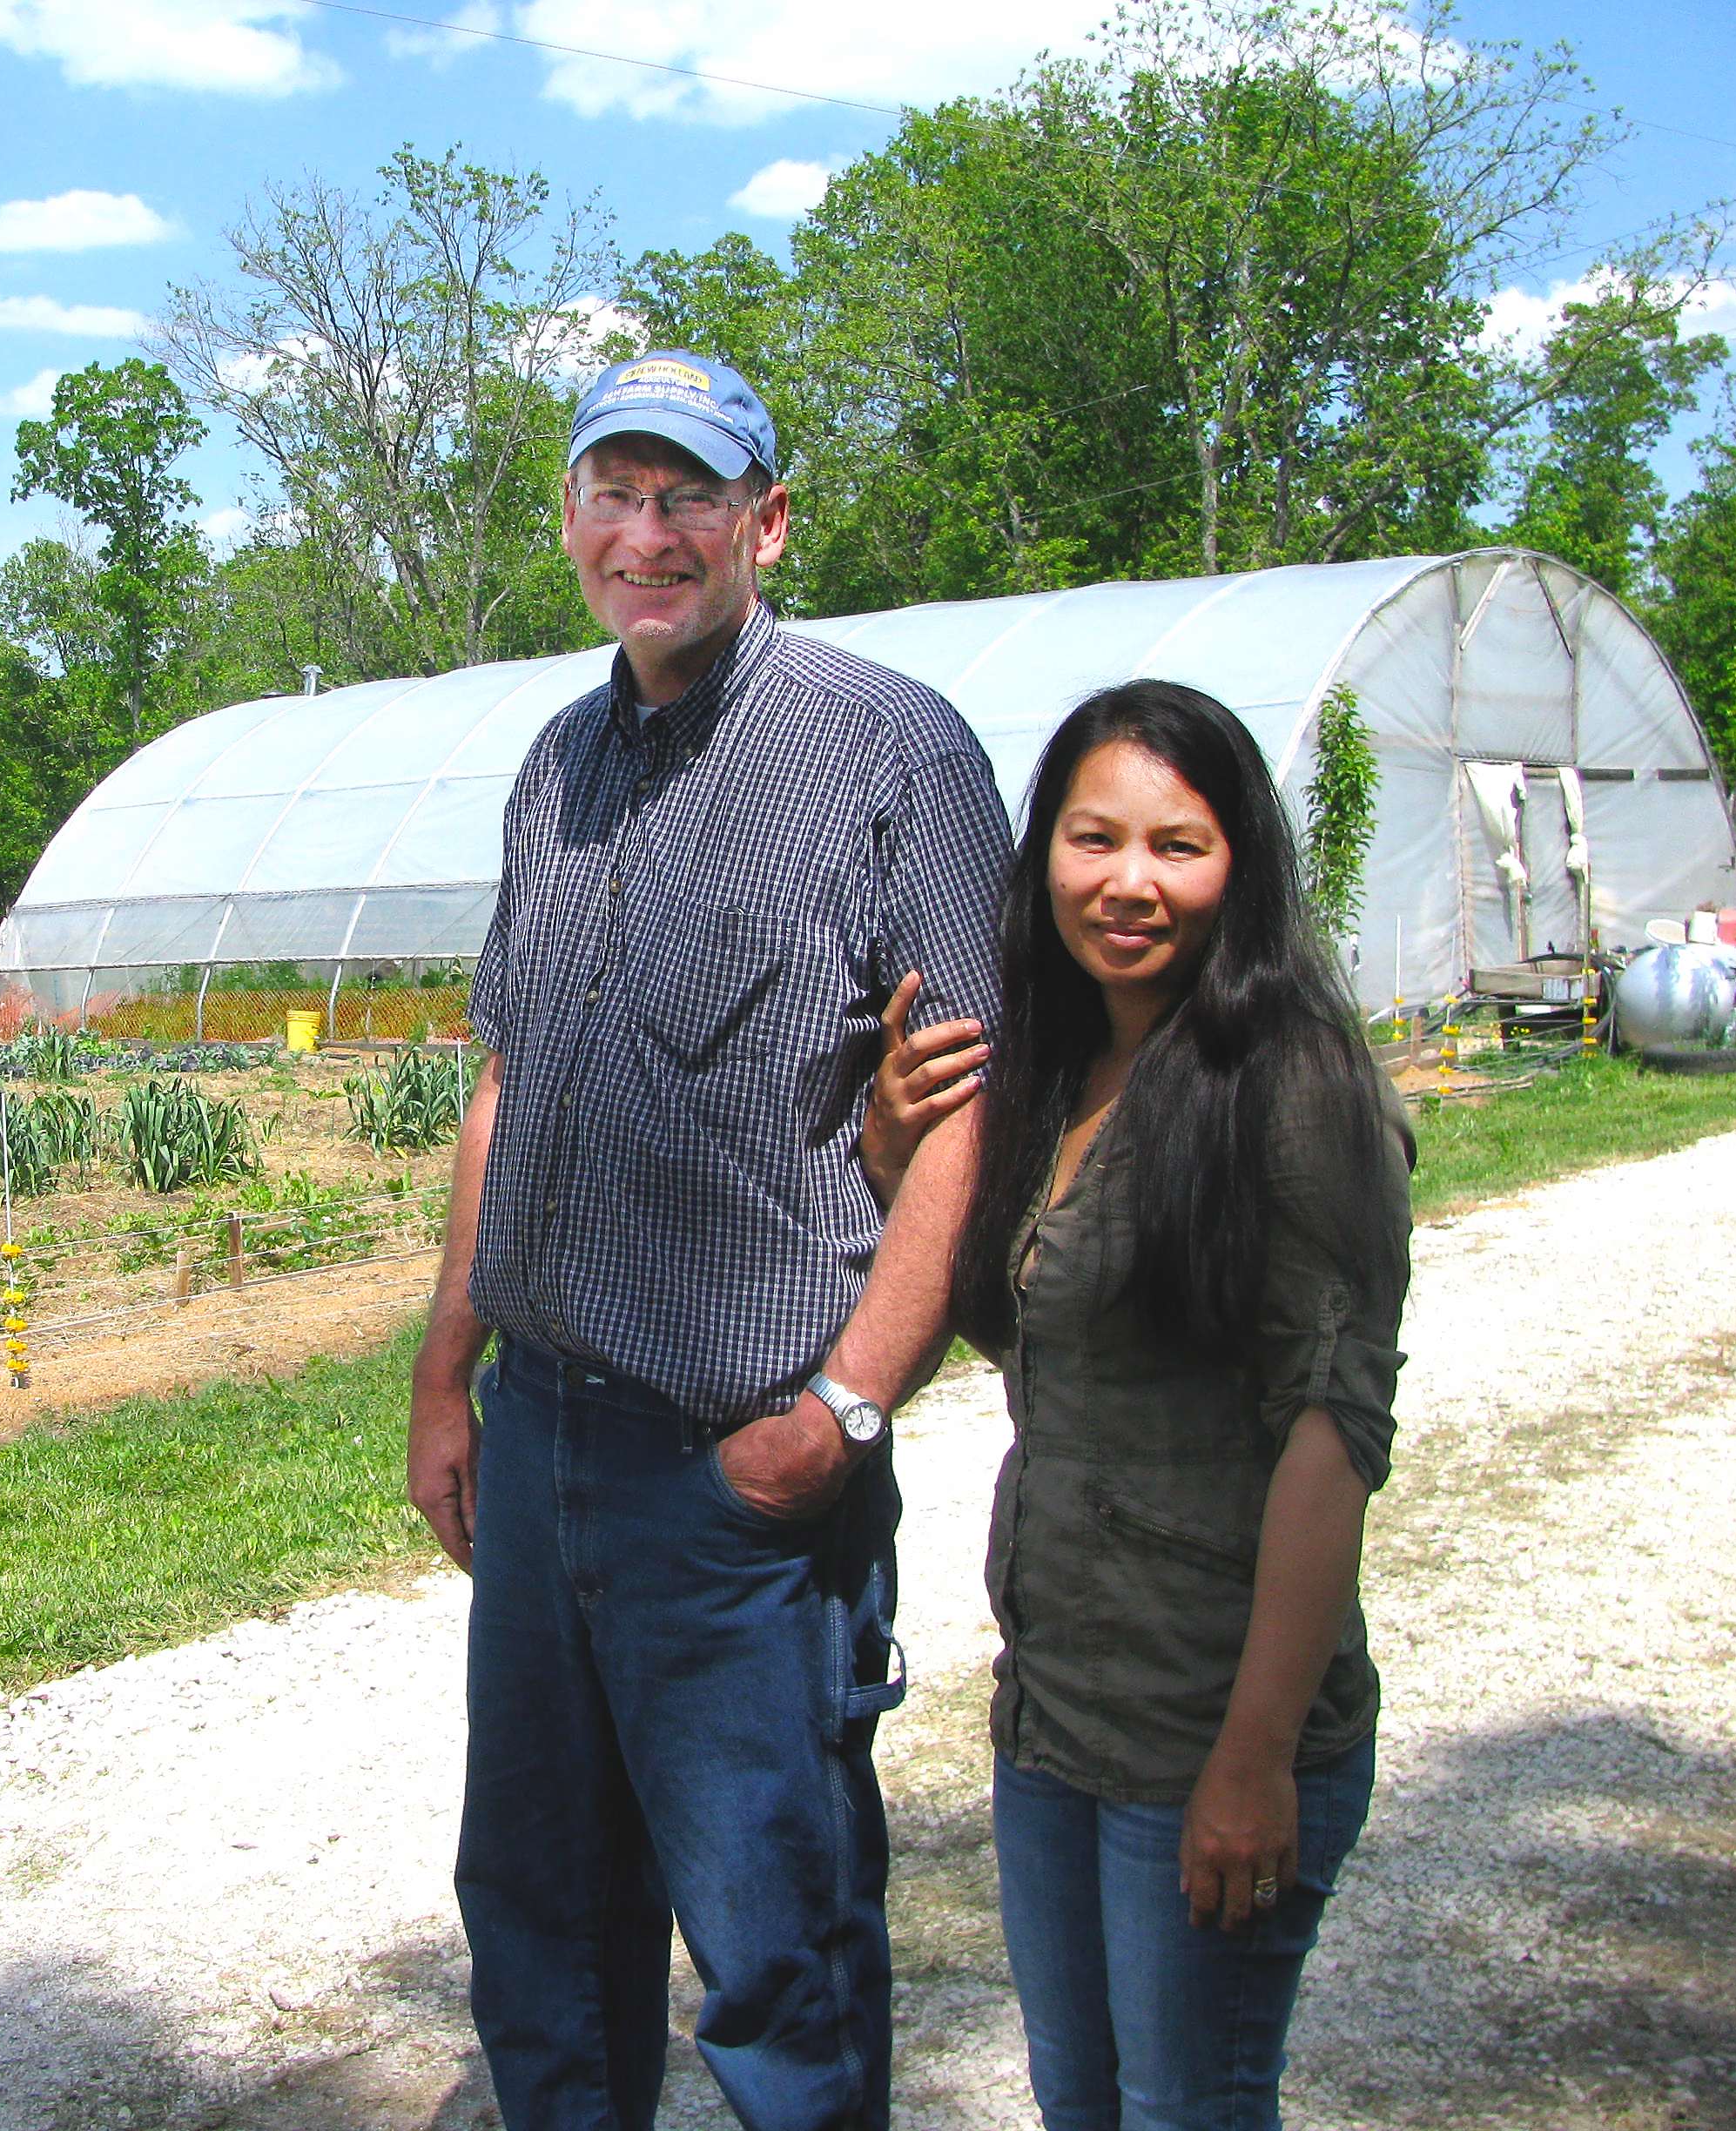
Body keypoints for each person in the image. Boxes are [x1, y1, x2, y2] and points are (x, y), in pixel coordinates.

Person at [406, 348, 1012, 2131]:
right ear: (573, 521)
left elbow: (970, 1100)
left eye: (688, 497)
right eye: (615, 494)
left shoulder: (885, 746)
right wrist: (448, 1375)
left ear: (767, 521)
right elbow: (508, 1081)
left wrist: (849, 1409)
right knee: (534, 1907)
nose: (646, 535)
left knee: (776, 1943)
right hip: (547, 1436)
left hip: (739, 1474)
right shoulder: (557, 762)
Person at [860, 680, 1414, 2131]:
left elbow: (1331, 1431)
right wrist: (889, 1158)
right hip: (1056, 1716)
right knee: (1082, 2103)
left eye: (1179, 845)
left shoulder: (1293, 1087)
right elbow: (1032, 1336)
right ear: (1042, 852)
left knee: (1188, 2108)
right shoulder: (1064, 1070)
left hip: (1206, 1728)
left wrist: (1253, 1757)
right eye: (1093, 839)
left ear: (1244, 866)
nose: (1127, 883)